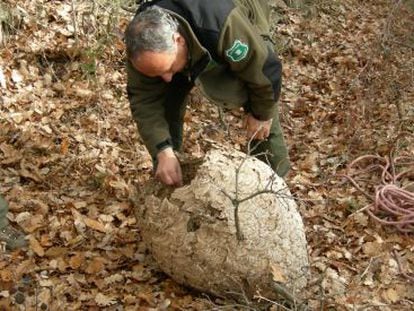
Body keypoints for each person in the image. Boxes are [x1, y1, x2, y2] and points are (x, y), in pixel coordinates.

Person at [125, 0, 290, 187]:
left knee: (261, 112)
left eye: (169, 68)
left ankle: (273, 184)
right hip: (189, 39)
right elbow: (144, 100)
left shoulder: (222, 23)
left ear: (178, 40)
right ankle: (171, 177)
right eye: (158, 72)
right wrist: (163, 150)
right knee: (165, 99)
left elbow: (263, 70)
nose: (167, 79)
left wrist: (261, 114)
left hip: (239, 14)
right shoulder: (141, 44)